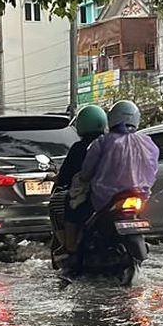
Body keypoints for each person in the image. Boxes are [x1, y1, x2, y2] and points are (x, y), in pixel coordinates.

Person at [75, 100, 160, 216]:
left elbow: (87, 171)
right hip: (140, 196)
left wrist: (81, 180)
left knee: (78, 213)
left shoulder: (102, 142)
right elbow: (153, 170)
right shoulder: (148, 143)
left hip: (105, 198)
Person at [55, 104, 108, 253]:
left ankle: (70, 246)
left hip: (92, 196)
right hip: (114, 194)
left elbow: (66, 176)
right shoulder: (111, 144)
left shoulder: (80, 148)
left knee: (70, 206)